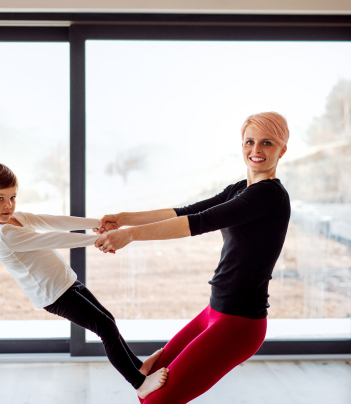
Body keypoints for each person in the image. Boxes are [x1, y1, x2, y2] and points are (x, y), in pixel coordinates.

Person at [95, 112, 291, 404]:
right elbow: (185, 211)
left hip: (239, 323)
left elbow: (197, 223)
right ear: (241, 145)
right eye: (249, 141)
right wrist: (124, 218)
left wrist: (132, 235)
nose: (256, 150)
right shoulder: (241, 189)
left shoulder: (268, 196)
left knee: (157, 399)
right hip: (214, 310)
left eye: (267, 143)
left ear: (282, 149)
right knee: (150, 379)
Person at [0, 161, 168, 399]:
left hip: (66, 281)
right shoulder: (3, 235)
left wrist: (98, 224)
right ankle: (139, 384)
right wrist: (102, 239)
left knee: (108, 320)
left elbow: (54, 221)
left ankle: (139, 367)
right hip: (54, 293)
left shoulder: (13, 219)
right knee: (105, 328)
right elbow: (53, 239)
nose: (8, 205)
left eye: (12, 197)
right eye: (0, 199)